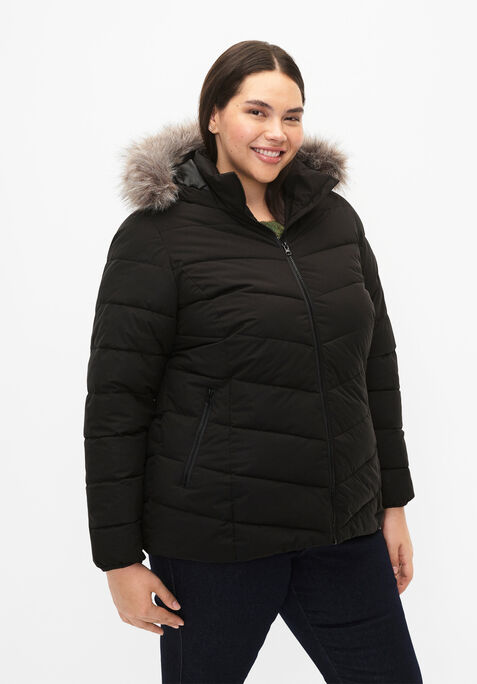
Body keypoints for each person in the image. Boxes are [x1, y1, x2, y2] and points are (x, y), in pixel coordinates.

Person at [84, 40, 423, 684]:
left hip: (342, 532)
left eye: (292, 116)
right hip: (216, 541)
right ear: (214, 115)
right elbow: (116, 406)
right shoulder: (156, 237)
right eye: (257, 112)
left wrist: (393, 503)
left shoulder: (335, 221)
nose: (277, 133)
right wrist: (118, 559)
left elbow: (375, 368)